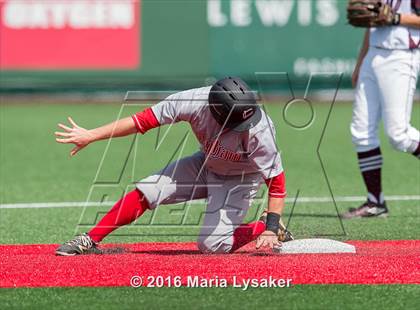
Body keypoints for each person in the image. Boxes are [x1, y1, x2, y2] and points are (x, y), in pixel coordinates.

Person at [55, 77, 293, 255]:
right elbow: (141, 121)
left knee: (212, 246)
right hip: (206, 163)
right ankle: (89, 239)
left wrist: (270, 227)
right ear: (216, 112)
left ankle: (264, 223)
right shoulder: (192, 102)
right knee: (148, 190)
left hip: (241, 177)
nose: (247, 124)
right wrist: (91, 135)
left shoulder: (261, 131)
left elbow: (277, 184)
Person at [342, 0, 420, 219]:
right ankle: (375, 202)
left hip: (402, 55)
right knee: (361, 132)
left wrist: (396, 18)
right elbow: (371, 22)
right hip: (374, 54)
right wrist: (361, 61)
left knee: (399, 135)